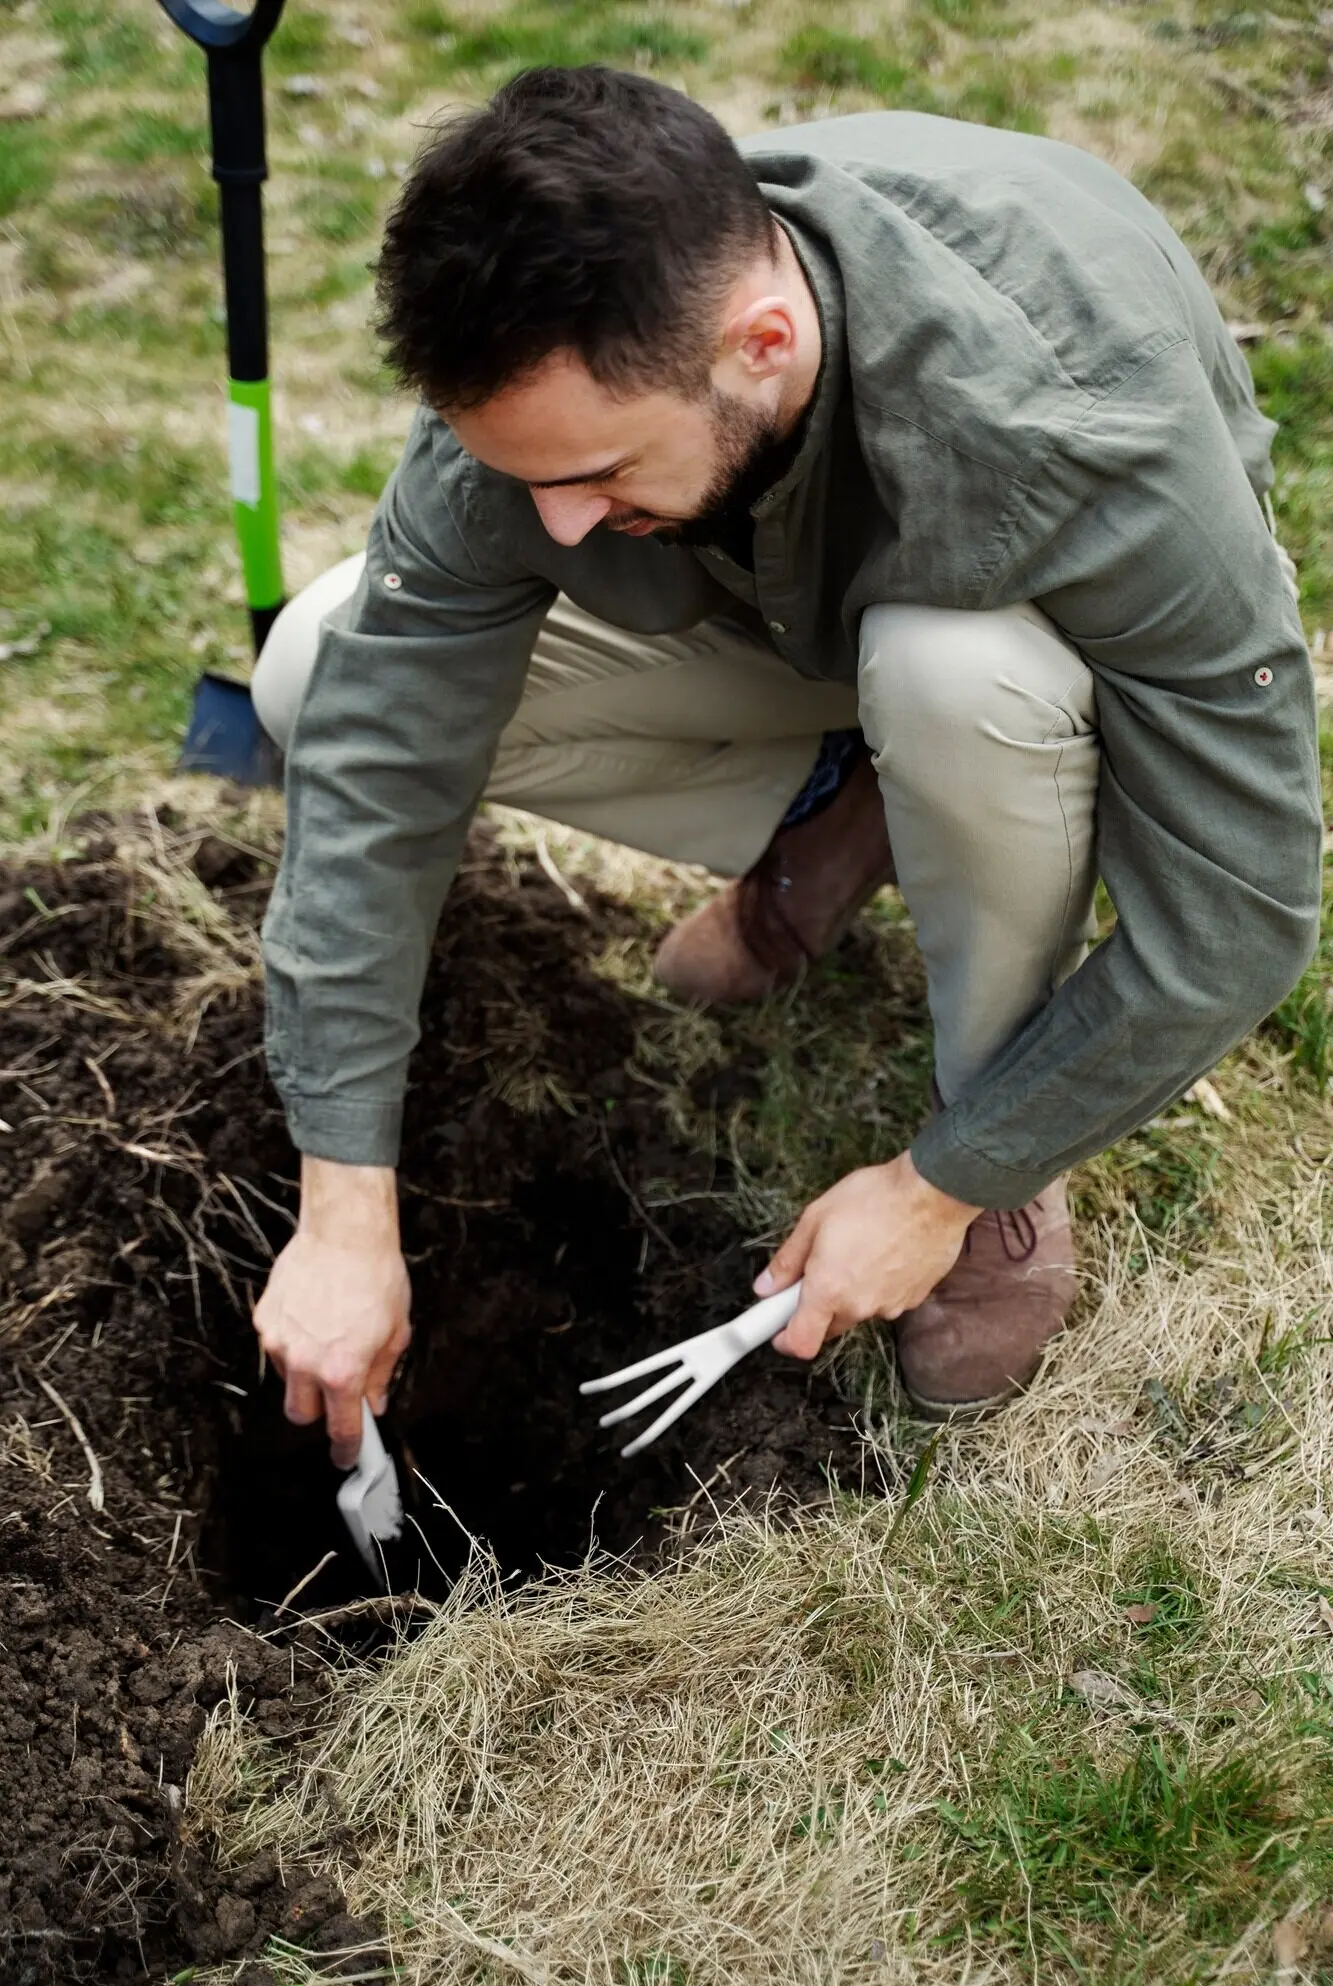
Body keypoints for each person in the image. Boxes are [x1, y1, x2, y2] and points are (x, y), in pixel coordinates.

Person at [250, 66, 1321, 1470]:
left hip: (1013, 622)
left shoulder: (1077, 435)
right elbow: (381, 750)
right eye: (524, 475)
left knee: (955, 677)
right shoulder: (558, 378)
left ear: (762, 341)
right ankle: (845, 797)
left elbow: (1240, 914)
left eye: (596, 472)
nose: (553, 524)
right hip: (779, 612)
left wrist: (944, 1185)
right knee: (315, 667)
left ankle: (997, 1148)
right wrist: (343, 1207)